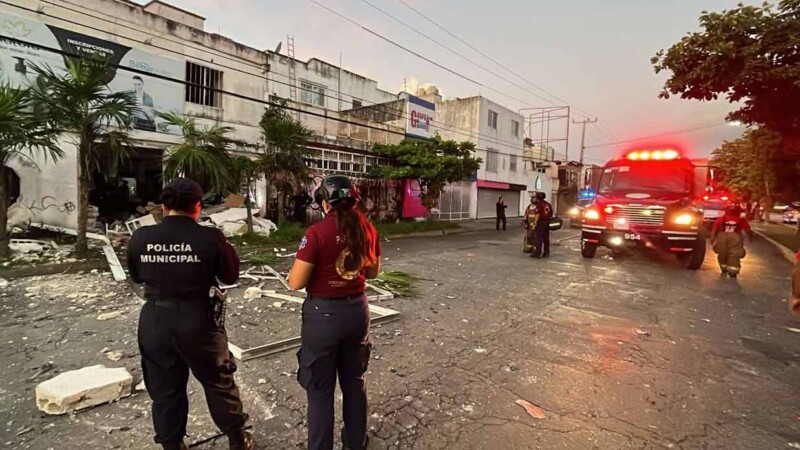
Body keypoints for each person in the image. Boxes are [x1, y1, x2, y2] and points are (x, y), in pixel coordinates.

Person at [127, 179, 253, 450]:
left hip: (155, 320)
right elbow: (230, 275)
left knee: (164, 390)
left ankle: (172, 445)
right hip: (199, 321)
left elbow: (137, 276)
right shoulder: (209, 236)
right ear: (197, 206)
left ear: (164, 206)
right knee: (219, 383)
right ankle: (237, 439)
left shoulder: (141, 237)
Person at [288, 174, 381, 450]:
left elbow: (296, 282)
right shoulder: (368, 229)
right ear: (353, 200)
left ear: (325, 203)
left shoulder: (317, 233)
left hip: (323, 315)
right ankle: (356, 441)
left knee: (319, 390)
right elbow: (373, 273)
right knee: (354, 382)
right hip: (357, 311)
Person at [710, 204, 754, 278]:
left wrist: (712, 239)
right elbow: (748, 230)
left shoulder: (721, 219)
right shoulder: (741, 220)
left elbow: (714, 229)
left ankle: (723, 268)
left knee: (722, 253)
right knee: (734, 254)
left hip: (722, 238)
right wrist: (751, 237)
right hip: (736, 239)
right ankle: (733, 272)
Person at [530, 191, 553, 258]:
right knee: (546, 238)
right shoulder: (548, 204)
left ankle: (537, 252)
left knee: (538, 237)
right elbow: (551, 214)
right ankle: (546, 252)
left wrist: (535, 223)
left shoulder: (539, 204)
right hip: (547, 222)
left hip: (541, 222)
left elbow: (538, 214)